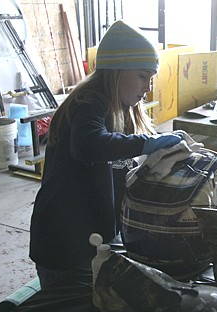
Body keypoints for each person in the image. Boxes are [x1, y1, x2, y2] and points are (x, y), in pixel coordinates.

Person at [29, 20, 182, 289]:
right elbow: (89, 144)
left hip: (94, 235)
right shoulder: (89, 102)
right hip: (63, 241)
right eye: (143, 76)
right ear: (118, 71)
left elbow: (120, 165)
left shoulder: (121, 107)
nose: (148, 87)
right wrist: (146, 143)